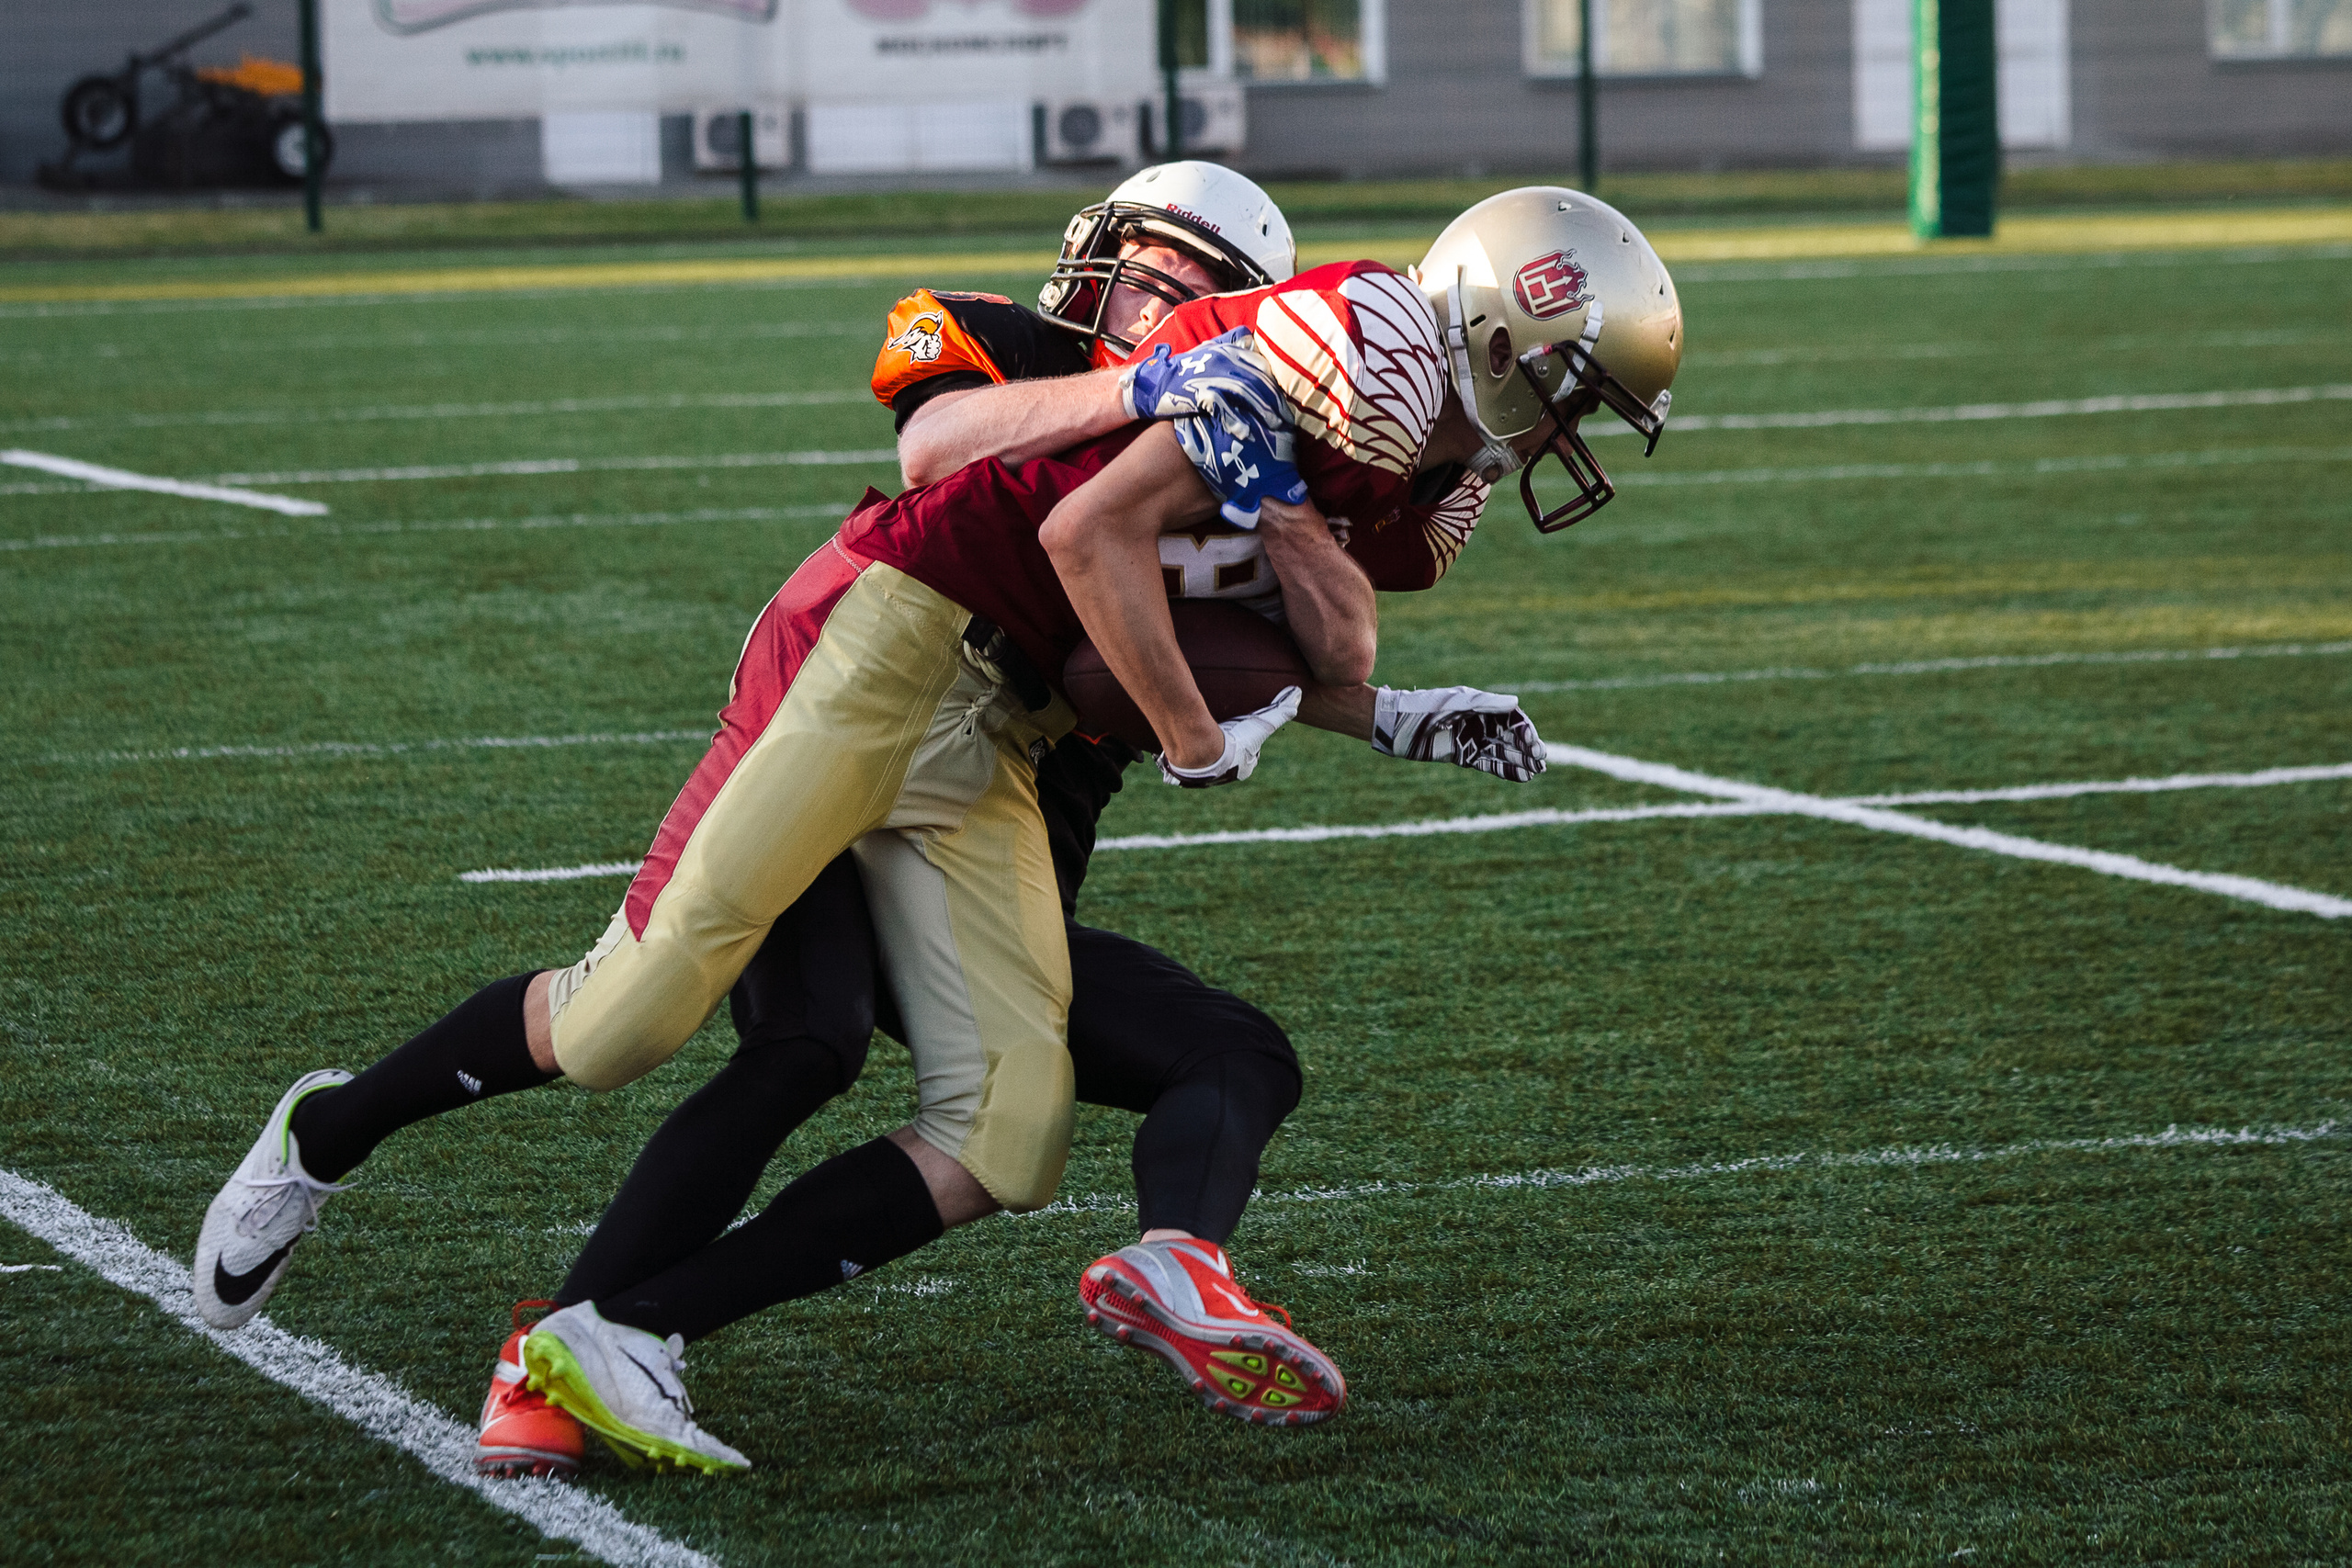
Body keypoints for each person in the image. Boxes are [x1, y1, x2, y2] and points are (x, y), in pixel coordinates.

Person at [498, 190, 1686, 1473]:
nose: (1164, 301)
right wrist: (1190, 687)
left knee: (1193, 1067)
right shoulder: (1074, 368)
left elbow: (1290, 639)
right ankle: (544, 1337)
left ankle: (1173, 1260)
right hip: (877, 714)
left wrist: (1369, 689)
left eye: (1203, 283)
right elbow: (975, 500)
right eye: (1151, 272)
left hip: (997, 802)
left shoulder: (1320, 452)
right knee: (775, 1044)